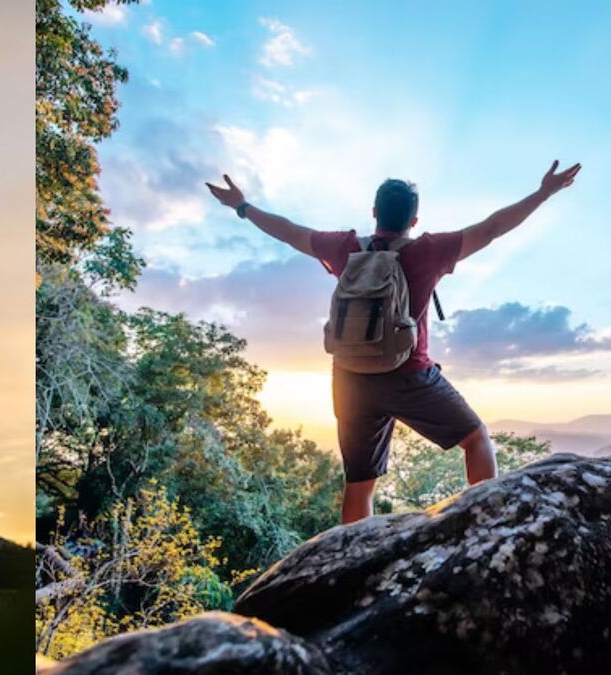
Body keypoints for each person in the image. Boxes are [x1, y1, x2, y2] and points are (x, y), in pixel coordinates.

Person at [206, 160, 581, 523]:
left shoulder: (346, 248)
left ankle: (349, 567)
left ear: (374, 212)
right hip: (410, 374)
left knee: (359, 486)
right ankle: (488, 528)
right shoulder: (428, 250)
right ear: (413, 221)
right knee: (477, 439)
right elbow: (493, 227)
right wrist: (543, 193)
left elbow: (288, 231)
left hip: (350, 379)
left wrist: (242, 206)